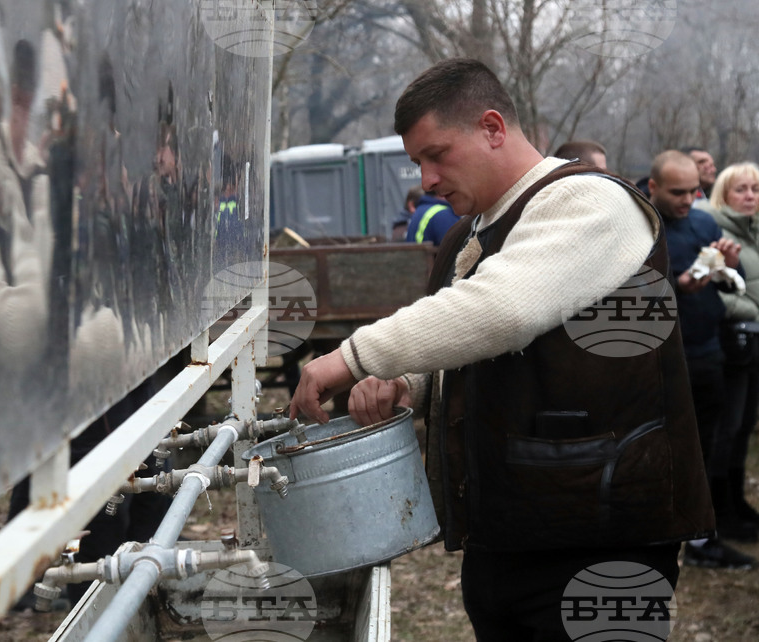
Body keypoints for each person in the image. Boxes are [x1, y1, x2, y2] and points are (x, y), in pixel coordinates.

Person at [289, 58, 715, 640]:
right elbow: (468, 342)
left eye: (437, 154)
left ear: (493, 128)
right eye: (418, 163)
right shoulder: (468, 235)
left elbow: (507, 308)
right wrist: (405, 382)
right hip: (508, 536)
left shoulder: (593, 204)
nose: (428, 178)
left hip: (604, 538)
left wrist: (353, 357)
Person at [648, 151, 758, 563]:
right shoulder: (644, 229)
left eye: (694, 190)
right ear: (654, 187)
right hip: (666, 356)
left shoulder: (703, 220)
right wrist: (677, 287)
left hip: (710, 348)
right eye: (677, 192)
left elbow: (731, 287)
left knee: (712, 443)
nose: (686, 199)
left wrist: (730, 267)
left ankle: (702, 535)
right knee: (671, 449)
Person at [702, 162, 759, 536]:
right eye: (741, 189)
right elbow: (707, 291)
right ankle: (718, 513)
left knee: (745, 427)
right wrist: (753, 310)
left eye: (755, 189)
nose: (750, 196)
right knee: (728, 427)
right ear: (724, 193)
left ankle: (737, 503)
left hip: (754, 343)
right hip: (730, 343)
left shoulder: (753, 232)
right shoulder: (713, 231)